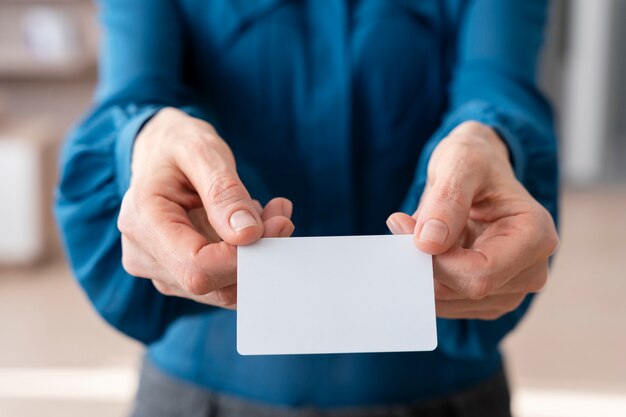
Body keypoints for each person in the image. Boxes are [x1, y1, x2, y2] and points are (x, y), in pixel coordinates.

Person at [54, 1, 559, 416]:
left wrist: (493, 143)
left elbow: (499, 80)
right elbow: (134, 87)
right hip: (198, 388)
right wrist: (146, 138)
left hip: (443, 391)